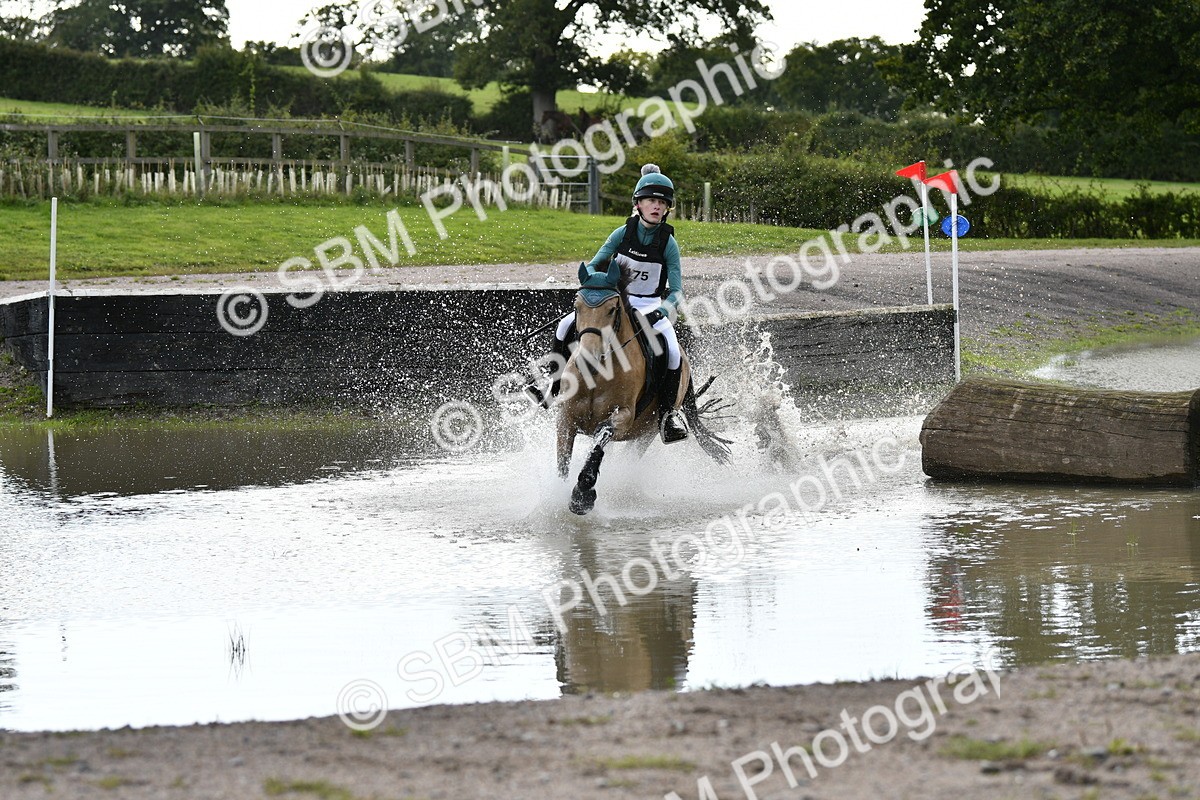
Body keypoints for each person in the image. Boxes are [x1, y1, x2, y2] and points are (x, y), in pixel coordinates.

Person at [530, 164, 690, 444]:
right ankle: (553, 386)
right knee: (565, 325)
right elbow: (593, 265)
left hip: (651, 305)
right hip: (615, 302)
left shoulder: (668, 244)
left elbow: (676, 292)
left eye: (662, 203)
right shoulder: (621, 234)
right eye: (651, 200)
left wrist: (662, 311)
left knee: (673, 350)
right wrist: (595, 285)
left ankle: (669, 414)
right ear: (638, 204)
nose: (657, 206)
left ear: (667, 209)